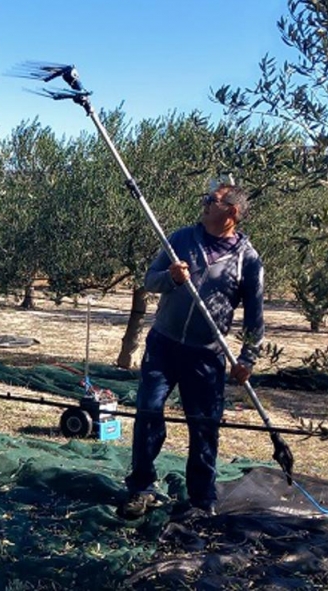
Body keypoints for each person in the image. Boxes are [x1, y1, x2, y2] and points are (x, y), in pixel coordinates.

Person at [118, 183, 264, 520]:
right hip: (164, 345)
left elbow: (255, 317)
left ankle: (201, 499)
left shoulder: (247, 260)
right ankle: (141, 487)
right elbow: (150, 280)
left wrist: (247, 358)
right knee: (148, 411)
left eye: (212, 200)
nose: (204, 203)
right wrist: (170, 278)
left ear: (232, 212)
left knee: (203, 426)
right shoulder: (182, 238)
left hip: (206, 355)